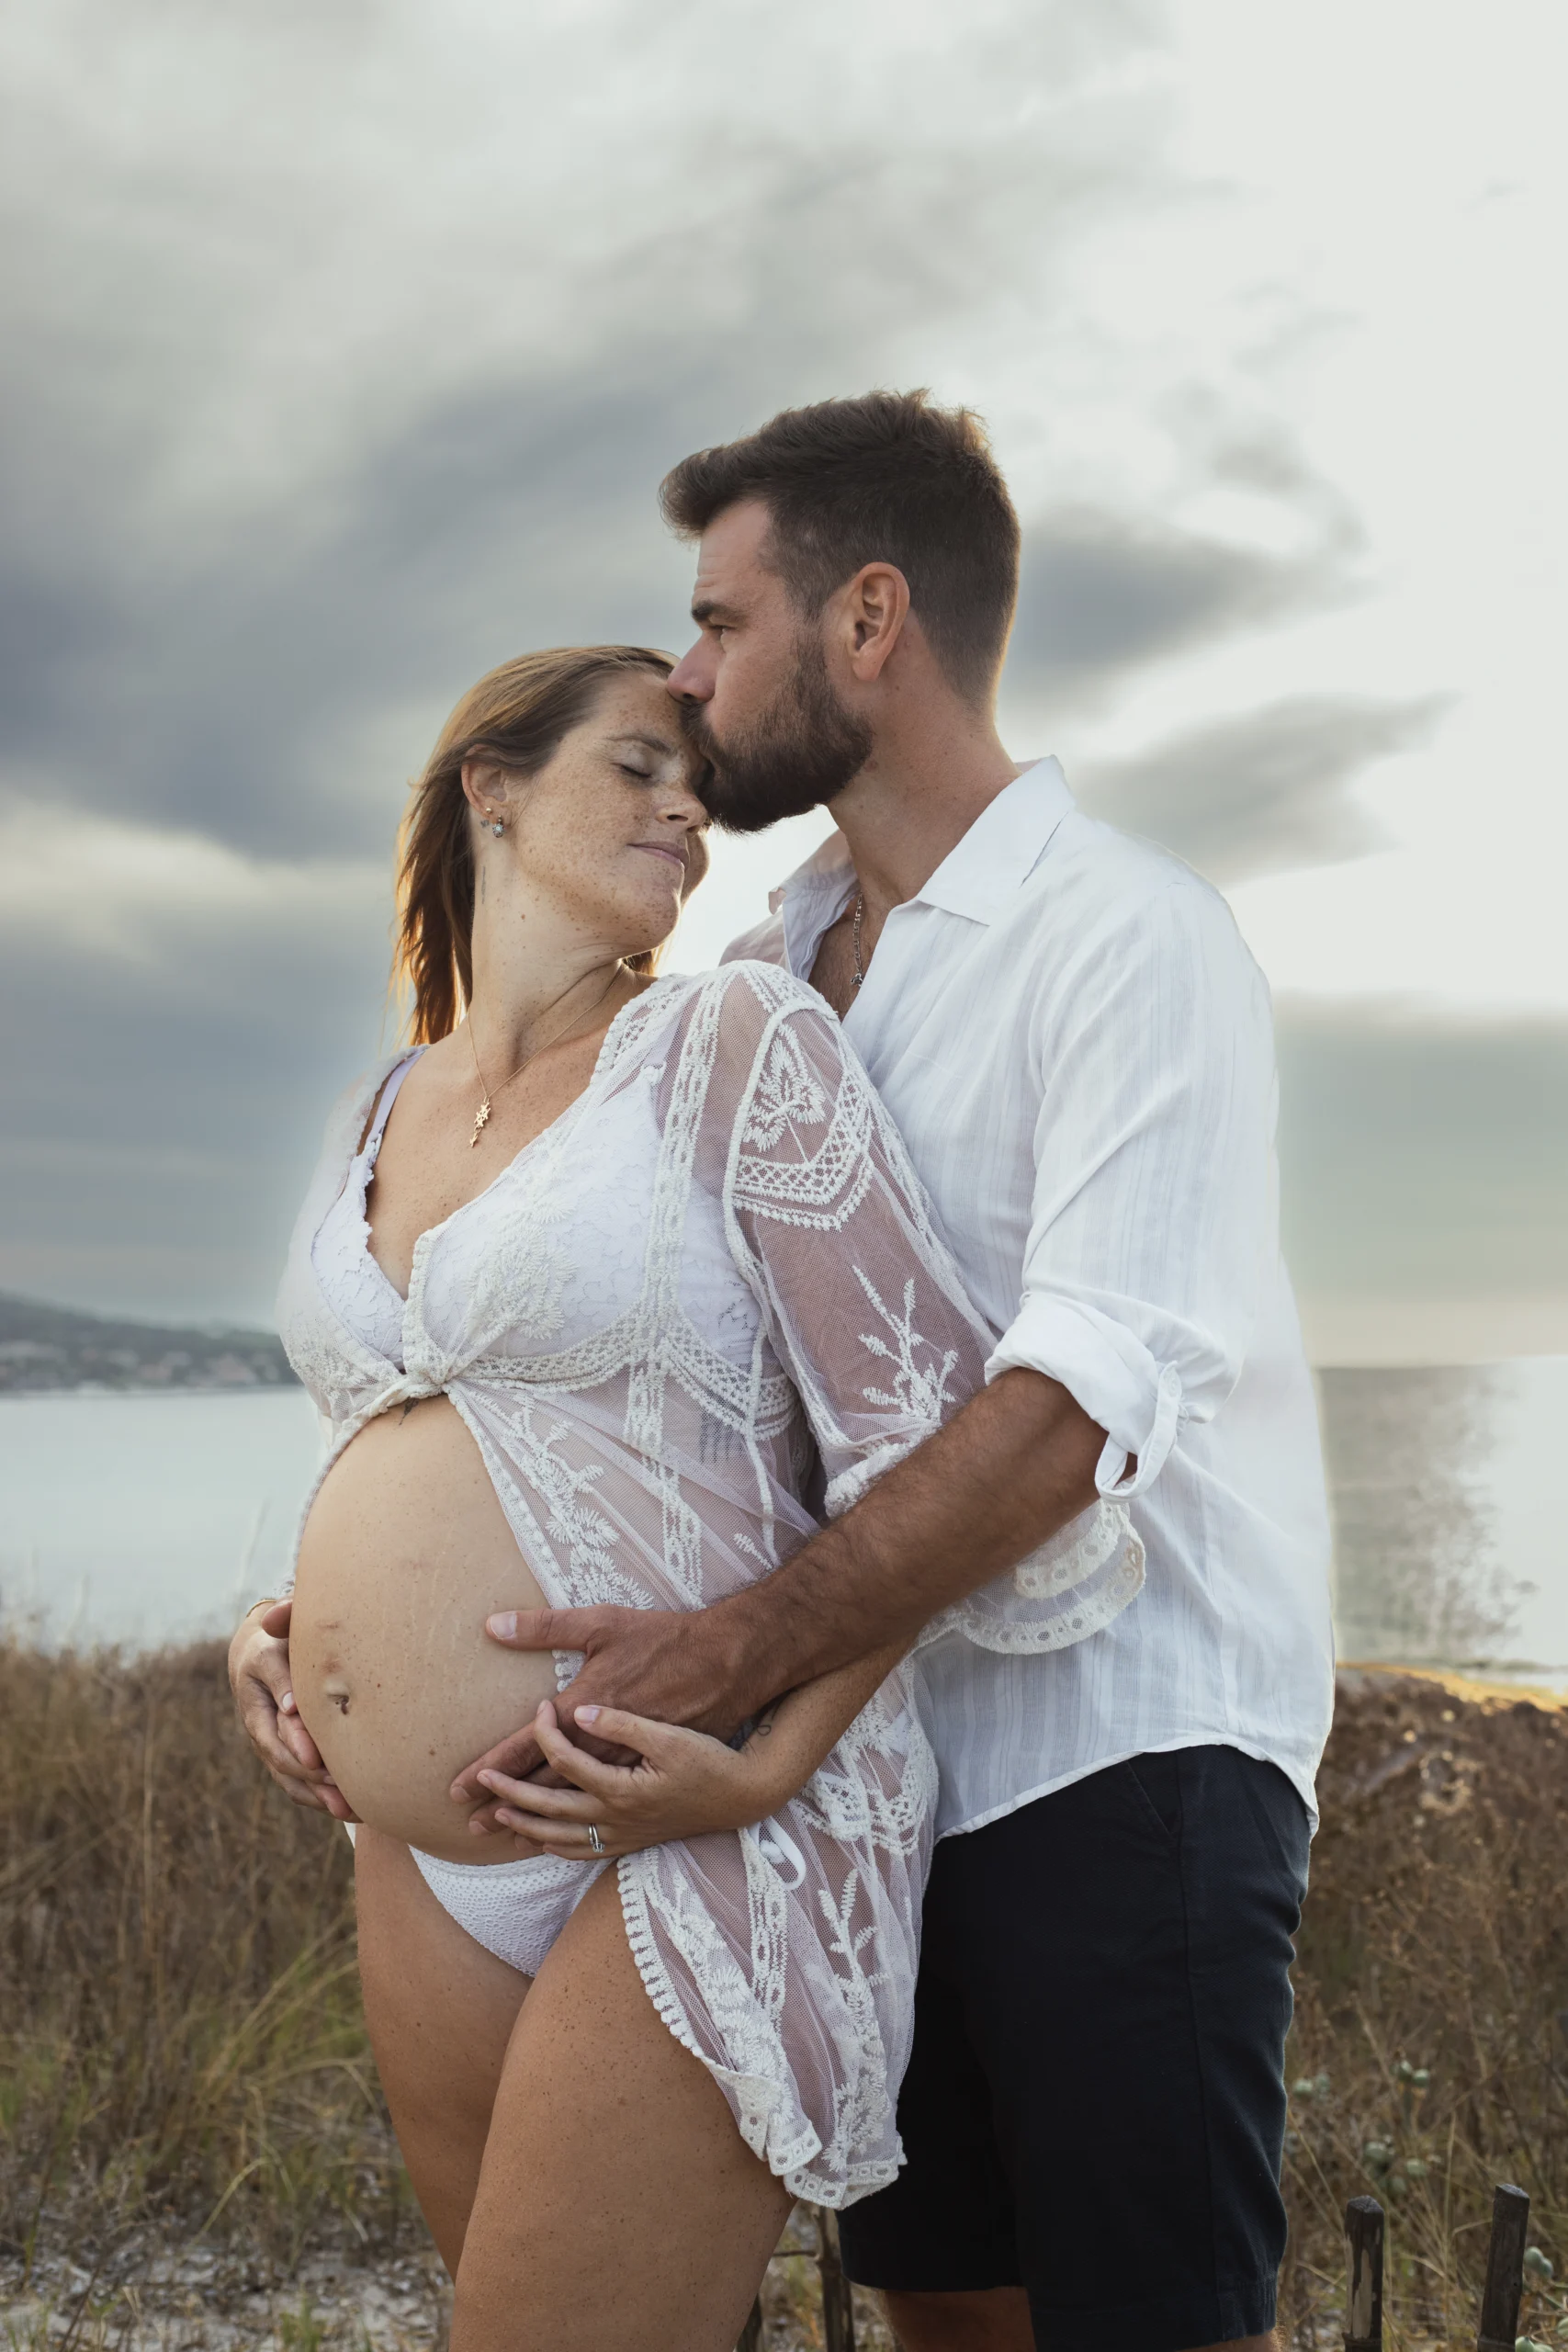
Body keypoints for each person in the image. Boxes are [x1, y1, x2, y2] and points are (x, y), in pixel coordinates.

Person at [455, 394, 1337, 2352]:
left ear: (868, 620)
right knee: (946, 2313)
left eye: (717, 619)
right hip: (869, 1789)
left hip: (1126, 1756)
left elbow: (1065, 1412)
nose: (688, 680)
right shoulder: (774, 957)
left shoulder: (1122, 935)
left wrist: (734, 1649)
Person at [228, 642, 1138, 2352]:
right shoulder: (378, 1104)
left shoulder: (729, 1038)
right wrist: (284, 1633)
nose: (680, 810)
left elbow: (925, 1446)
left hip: (695, 1814)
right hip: (424, 1857)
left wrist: (780, 1751)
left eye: (696, 789)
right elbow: (410, 1433)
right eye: (638, 764)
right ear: (490, 785)